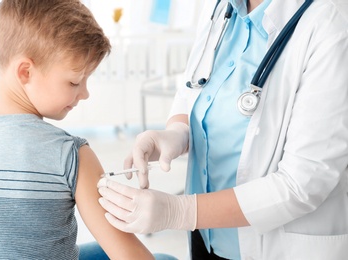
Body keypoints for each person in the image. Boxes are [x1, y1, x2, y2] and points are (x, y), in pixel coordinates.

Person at [97, 0, 348, 259]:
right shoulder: (220, 7)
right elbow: (193, 90)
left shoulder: (331, 24)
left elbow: (303, 184)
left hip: (273, 248)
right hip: (205, 238)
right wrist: (177, 133)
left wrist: (180, 211)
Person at [0, 1, 175, 259]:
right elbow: (128, 254)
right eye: (74, 81)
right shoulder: (71, 153)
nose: (84, 93)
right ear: (25, 71)